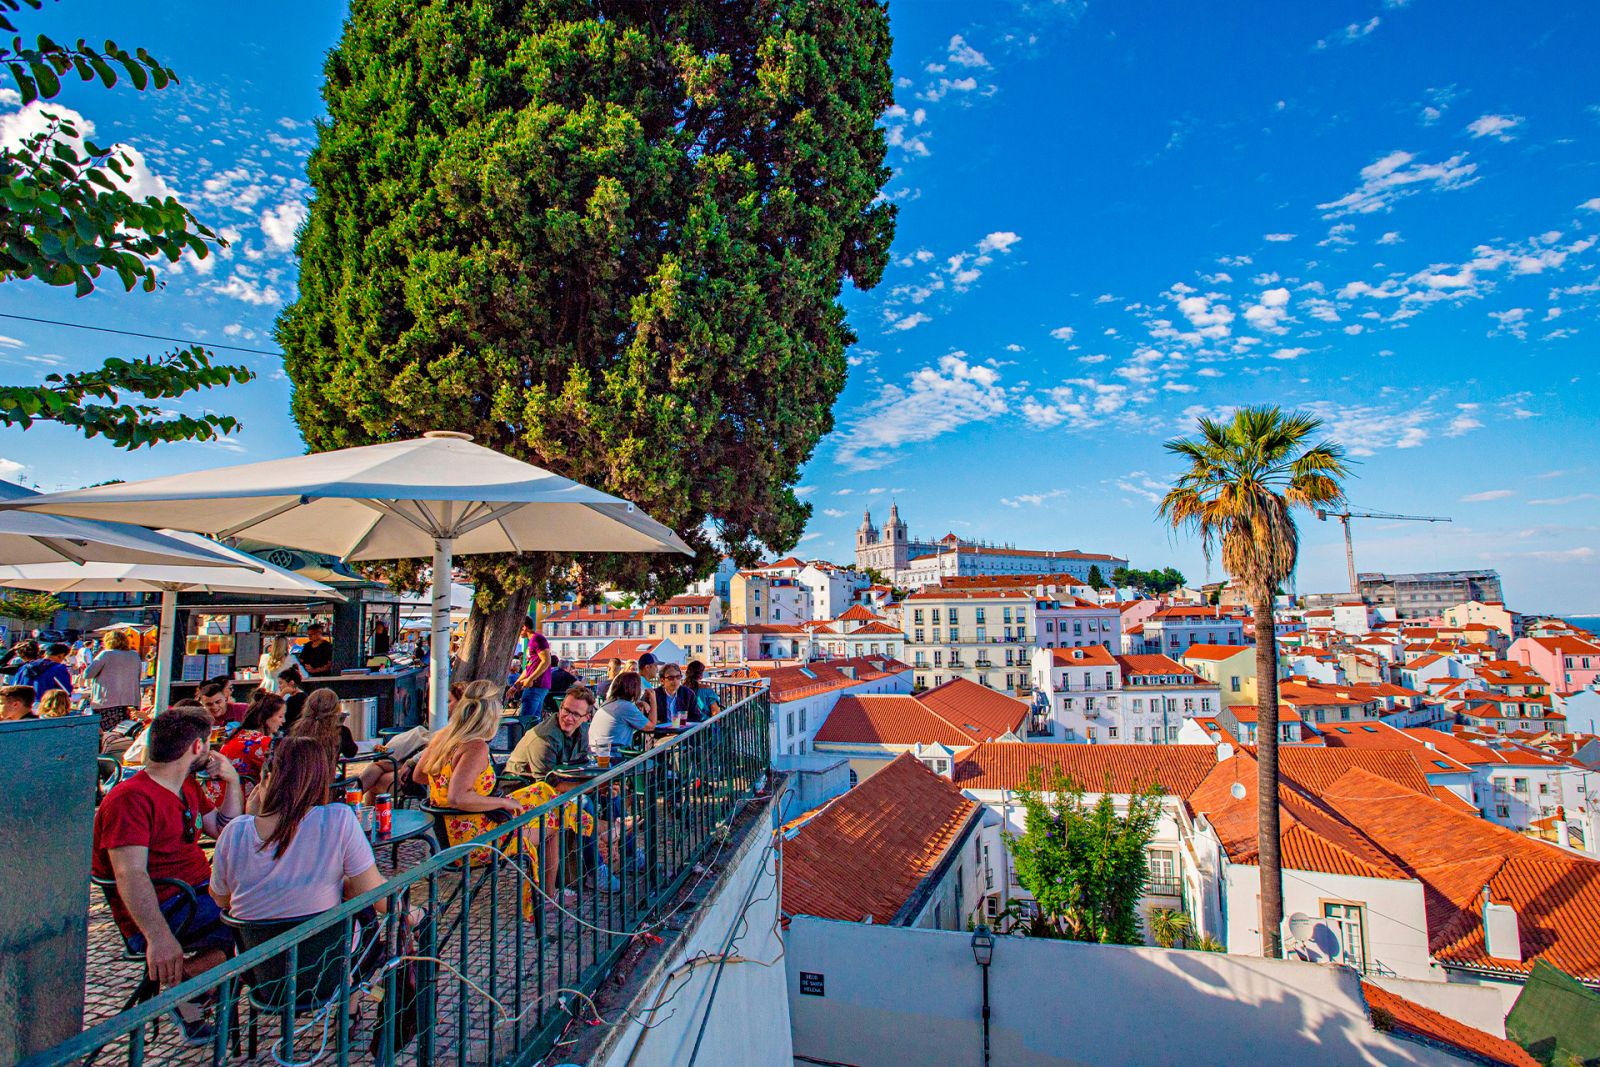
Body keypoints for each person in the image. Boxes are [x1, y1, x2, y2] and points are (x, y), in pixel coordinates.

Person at [92, 706, 243, 1045]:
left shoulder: (184, 786)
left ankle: (189, 988)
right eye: (208, 744)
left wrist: (231, 780)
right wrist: (158, 937)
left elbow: (223, 830)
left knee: (264, 912)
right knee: (255, 923)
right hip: (167, 907)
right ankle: (188, 989)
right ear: (196, 749)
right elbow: (129, 874)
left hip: (197, 895)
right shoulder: (130, 799)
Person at [210, 736, 389, 922]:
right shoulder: (338, 819)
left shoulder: (234, 832)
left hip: (257, 949)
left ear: (268, 780)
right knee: (363, 911)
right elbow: (375, 893)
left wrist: (252, 818)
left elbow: (221, 897)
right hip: (326, 949)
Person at [505, 685, 594, 779]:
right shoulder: (544, 737)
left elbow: (582, 764)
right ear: (560, 707)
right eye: (566, 710)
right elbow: (548, 782)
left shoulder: (583, 729)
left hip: (558, 781)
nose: (568, 718)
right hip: (519, 785)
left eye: (576, 714)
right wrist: (594, 788)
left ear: (586, 717)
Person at [287, 688, 357, 778]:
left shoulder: (296, 729)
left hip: (300, 783)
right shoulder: (340, 731)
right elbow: (351, 753)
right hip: (327, 785)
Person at [85, 628, 143, 733]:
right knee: (126, 733)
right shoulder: (134, 655)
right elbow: (139, 675)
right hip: (130, 701)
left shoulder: (106, 654)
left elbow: (87, 674)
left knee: (107, 734)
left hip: (107, 702)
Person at [221, 692, 285, 783]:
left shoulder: (240, 734)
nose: (283, 721)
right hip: (239, 794)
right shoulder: (260, 741)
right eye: (280, 716)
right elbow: (280, 773)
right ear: (265, 717)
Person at [590, 674, 652, 752]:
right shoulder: (625, 706)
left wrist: (635, 704)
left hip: (595, 751)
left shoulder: (609, 703)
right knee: (655, 762)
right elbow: (650, 727)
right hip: (614, 755)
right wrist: (653, 699)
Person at [512, 616, 552, 729]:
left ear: (524, 627)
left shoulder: (537, 639)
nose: (518, 632)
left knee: (525, 719)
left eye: (519, 629)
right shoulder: (531, 642)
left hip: (536, 685)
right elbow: (529, 668)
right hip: (535, 685)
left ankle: (522, 743)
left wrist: (530, 679)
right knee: (534, 719)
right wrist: (516, 684)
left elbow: (546, 660)